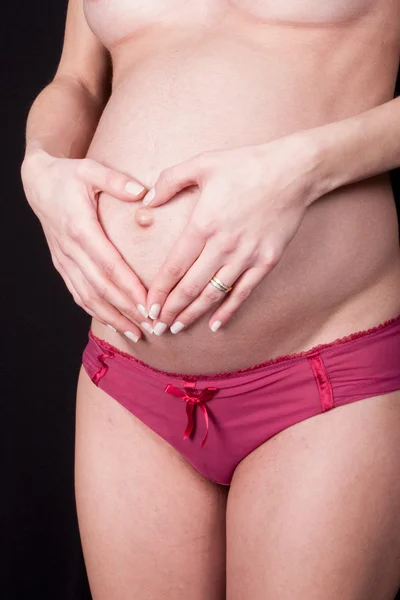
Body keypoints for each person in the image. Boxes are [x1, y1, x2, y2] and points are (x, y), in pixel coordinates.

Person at [20, 0, 400, 598]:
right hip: (125, 380)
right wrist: (40, 164)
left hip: (321, 371)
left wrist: (303, 169)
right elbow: (77, 81)